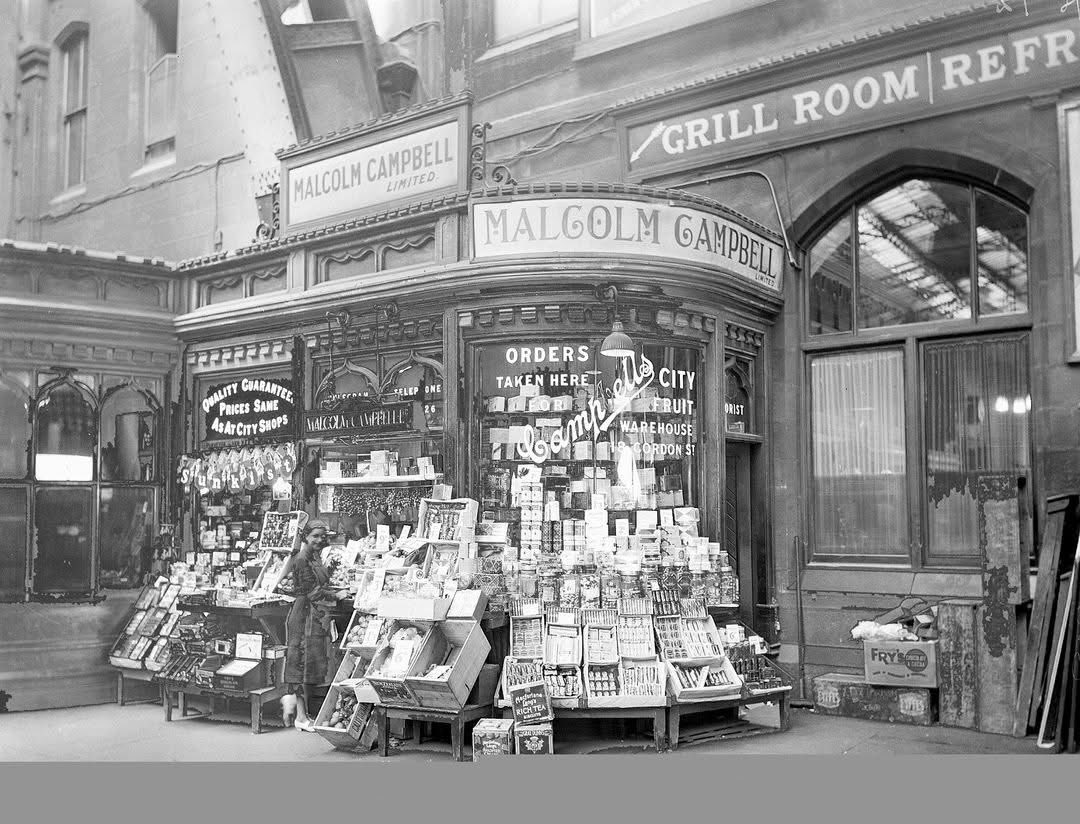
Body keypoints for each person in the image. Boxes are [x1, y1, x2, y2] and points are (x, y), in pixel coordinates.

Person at [279, 520, 344, 731]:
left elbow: (319, 584)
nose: (319, 539)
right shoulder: (300, 559)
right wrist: (337, 594)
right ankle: (300, 715)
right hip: (303, 615)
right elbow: (312, 591)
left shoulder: (314, 556)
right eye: (314, 536)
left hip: (313, 616)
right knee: (300, 665)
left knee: (309, 666)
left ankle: (301, 712)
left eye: (321, 536)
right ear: (306, 536)